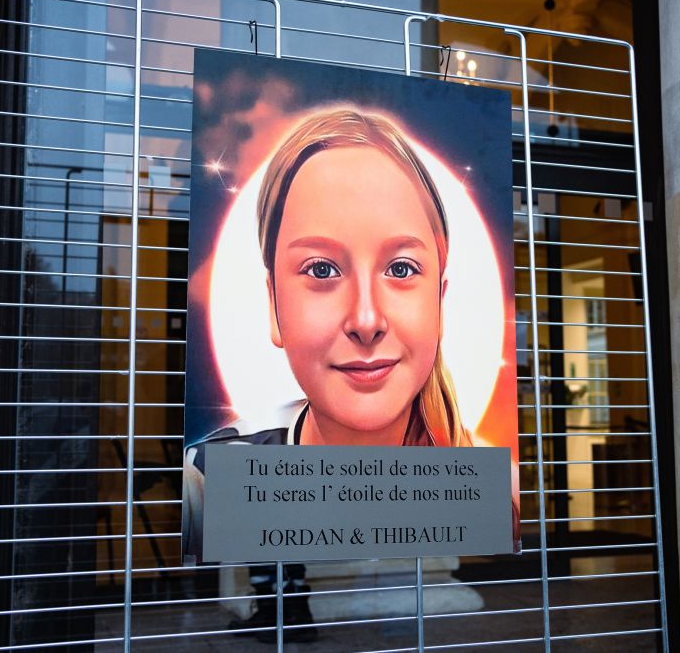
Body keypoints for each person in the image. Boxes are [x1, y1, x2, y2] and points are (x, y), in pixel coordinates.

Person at [183, 108, 475, 640]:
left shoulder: (482, 485)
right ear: (273, 305)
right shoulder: (211, 471)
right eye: (321, 269)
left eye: (401, 269)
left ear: (441, 298)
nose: (366, 320)